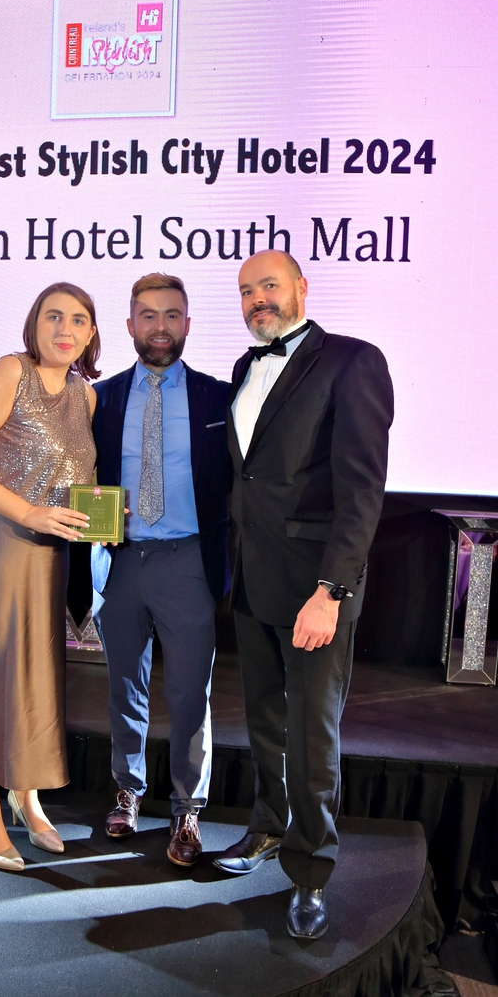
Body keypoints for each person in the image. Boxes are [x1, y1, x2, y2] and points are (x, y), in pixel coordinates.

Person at [214, 250, 394, 938]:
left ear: (301, 288)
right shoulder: (244, 367)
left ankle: (310, 874)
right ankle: (267, 827)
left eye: (269, 285)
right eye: (246, 290)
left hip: (315, 589)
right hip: (252, 580)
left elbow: (361, 491)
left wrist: (331, 591)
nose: (257, 299)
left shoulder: (353, 362)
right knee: (264, 719)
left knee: (313, 734)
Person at [0, 283, 99, 871]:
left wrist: (105, 517)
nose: (65, 328)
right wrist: (28, 512)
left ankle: (25, 794)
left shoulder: (85, 395)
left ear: (91, 334)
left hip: (51, 554)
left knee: (34, 672)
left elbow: (72, 482)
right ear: (34, 325)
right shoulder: (11, 372)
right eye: (53, 316)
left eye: (77, 319)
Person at [91, 272, 231, 867]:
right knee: (124, 685)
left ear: (188, 323)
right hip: (121, 560)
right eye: (147, 315)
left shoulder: (218, 398)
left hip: (187, 561)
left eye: (171, 315)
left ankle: (186, 810)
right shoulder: (99, 398)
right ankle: (128, 790)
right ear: (129, 325)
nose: (160, 327)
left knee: (190, 692)